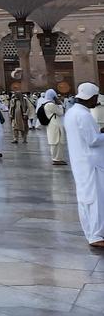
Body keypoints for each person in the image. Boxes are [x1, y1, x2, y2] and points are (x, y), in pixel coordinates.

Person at [64, 83, 104, 247]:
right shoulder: (84, 115)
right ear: (91, 97)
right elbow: (92, 140)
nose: (97, 101)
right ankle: (96, 236)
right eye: (96, 98)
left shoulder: (72, 112)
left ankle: (92, 232)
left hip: (80, 161)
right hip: (91, 163)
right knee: (96, 199)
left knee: (86, 198)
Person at [38, 90, 67, 166]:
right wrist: (60, 104)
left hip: (53, 125)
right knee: (56, 142)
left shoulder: (46, 104)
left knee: (56, 142)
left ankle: (58, 158)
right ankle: (57, 159)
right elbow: (61, 112)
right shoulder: (50, 105)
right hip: (54, 125)